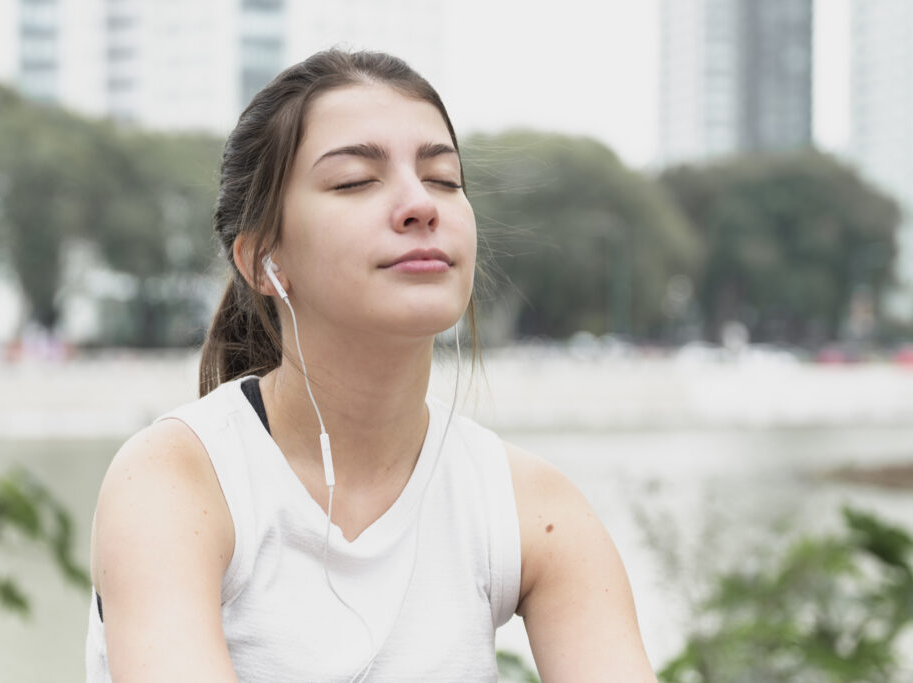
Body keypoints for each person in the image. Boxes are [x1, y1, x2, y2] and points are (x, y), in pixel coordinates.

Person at [86, 49, 656, 682]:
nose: (421, 206)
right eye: (356, 180)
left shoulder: (531, 506)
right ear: (262, 260)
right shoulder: (178, 481)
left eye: (443, 179)